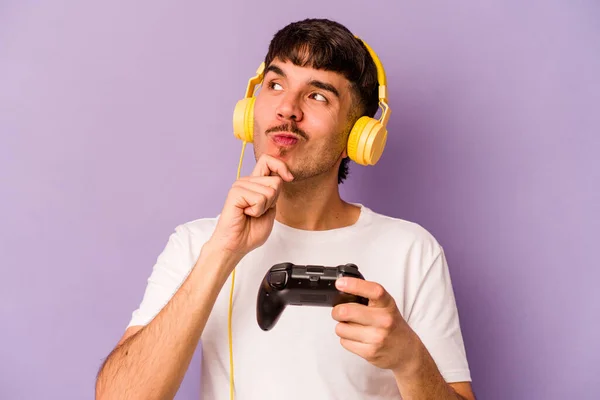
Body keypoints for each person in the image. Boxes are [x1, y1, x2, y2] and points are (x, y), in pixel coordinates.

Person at [95, 18, 475, 400]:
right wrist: (222, 254)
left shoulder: (411, 249)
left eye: (318, 96)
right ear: (249, 111)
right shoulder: (197, 244)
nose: (287, 109)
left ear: (358, 138)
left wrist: (409, 359)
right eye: (275, 85)